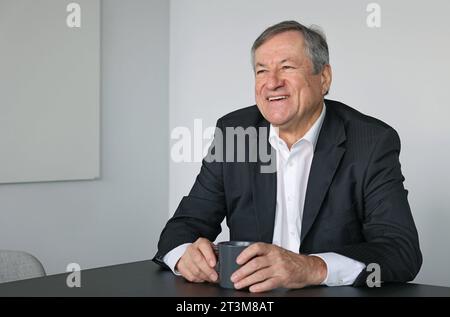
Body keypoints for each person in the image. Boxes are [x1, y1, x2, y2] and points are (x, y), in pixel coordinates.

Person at [153, 20, 422, 292]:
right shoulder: (235, 133)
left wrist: (311, 268)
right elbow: (183, 227)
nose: (272, 82)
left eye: (287, 67)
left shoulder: (371, 141)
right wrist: (185, 255)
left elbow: (401, 252)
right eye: (261, 71)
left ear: (324, 78)